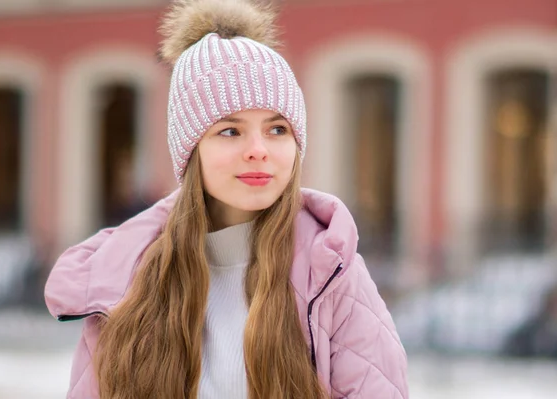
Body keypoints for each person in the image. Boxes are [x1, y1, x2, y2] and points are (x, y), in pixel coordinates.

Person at [44, 0, 409, 398]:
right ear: (191, 149)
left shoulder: (331, 272)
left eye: (277, 129)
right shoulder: (124, 279)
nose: (258, 150)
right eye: (231, 131)